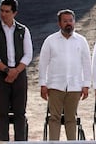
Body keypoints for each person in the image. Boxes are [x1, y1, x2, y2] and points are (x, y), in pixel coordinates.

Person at [38, 9, 91, 141]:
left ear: (74, 22)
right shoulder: (50, 40)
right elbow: (43, 63)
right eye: (65, 21)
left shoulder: (81, 40)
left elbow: (86, 64)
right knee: (54, 118)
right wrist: (43, 84)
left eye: (71, 21)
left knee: (71, 118)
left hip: (74, 86)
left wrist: (86, 85)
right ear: (59, 23)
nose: (69, 24)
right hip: (55, 85)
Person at [0, 0, 33, 141]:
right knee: (2, 112)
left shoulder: (22, 30)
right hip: (1, 76)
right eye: (1, 11)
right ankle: (3, 142)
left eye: (7, 11)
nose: (3, 14)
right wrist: (7, 71)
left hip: (19, 75)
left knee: (20, 112)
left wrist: (16, 71)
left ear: (14, 13)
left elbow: (28, 54)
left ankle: (20, 141)